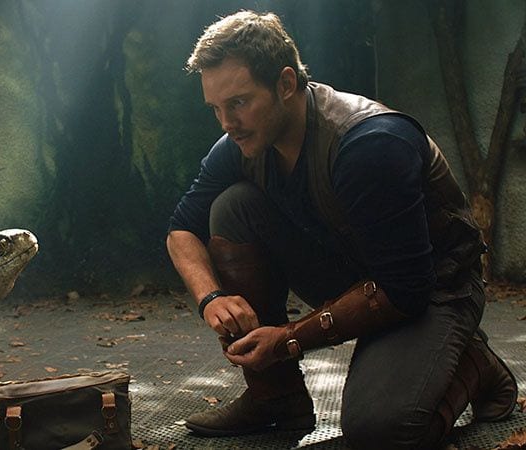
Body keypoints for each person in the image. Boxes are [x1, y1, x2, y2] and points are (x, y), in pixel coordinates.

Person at [166, 10, 517, 449]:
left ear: (285, 84)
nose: (225, 123)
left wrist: (288, 340)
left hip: (434, 288)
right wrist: (211, 298)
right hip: (356, 269)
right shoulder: (241, 143)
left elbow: (406, 289)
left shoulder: (368, 144)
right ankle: (275, 397)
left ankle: (475, 365)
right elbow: (181, 229)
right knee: (232, 208)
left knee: (379, 431)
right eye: (216, 108)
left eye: (238, 103)